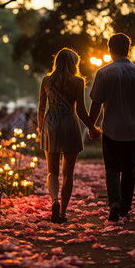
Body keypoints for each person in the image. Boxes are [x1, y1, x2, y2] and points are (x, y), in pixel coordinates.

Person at [88, 33, 135, 222]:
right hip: (134, 129)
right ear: (129, 49)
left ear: (110, 49)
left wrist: (91, 126)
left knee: (111, 168)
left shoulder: (103, 73)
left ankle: (114, 203)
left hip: (111, 129)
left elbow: (96, 104)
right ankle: (125, 208)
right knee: (129, 170)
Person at [38, 48, 101, 224]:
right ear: (74, 64)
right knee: (68, 173)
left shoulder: (47, 80)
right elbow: (81, 109)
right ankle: (63, 213)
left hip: (51, 124)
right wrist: (93, 128)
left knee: (52, 171)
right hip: (70, 123)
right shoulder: (78, 81)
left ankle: (54, 201)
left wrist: (41, 128)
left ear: (56, 62)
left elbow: (41, 108)